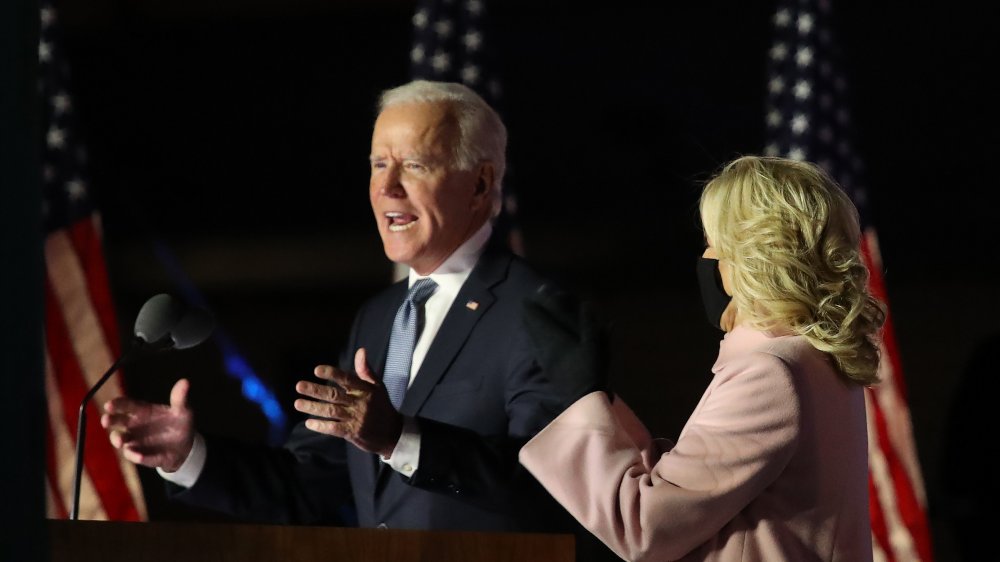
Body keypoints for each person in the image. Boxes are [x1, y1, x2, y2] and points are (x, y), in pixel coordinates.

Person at [101, 79, 577, 534]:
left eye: (414, 165)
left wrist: (401, 438)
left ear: (479, 184)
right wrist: (189, 457)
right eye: (378, 164)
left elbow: (554, 486)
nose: (387, 187)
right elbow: (309, 482)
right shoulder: (379, 317)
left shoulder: (537, 310)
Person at [519, 155, 886, 561]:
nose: (707, 258)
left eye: (713, 243)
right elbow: (692, 488)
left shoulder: (770, 371)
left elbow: (646, 526)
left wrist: (579, 399)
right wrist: (602, 399)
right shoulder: (812, 357)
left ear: (752, 258)